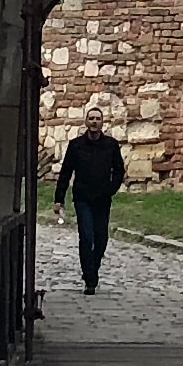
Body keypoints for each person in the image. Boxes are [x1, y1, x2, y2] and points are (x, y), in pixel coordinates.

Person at [54, 121, 128, 292]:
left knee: (101, 238)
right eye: (91, 118)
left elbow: (118, 170)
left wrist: (112, 189)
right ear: (87, 122)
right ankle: (90, 278)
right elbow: (66, 172)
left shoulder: (110, 145)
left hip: (103, 197)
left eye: (97, 118)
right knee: (87, 236)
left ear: (101, 123)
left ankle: (92, 268)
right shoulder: (76, 145)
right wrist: (59, 199)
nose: (94, 121)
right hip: (82, 198)